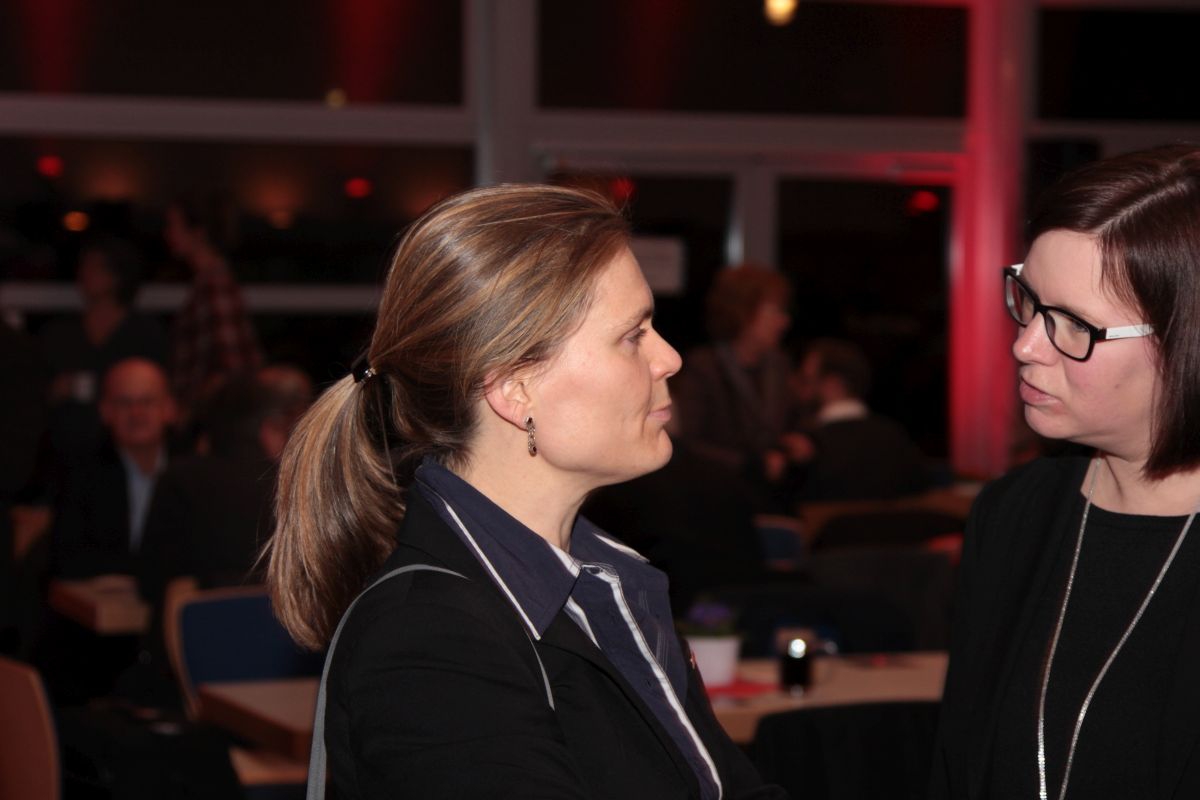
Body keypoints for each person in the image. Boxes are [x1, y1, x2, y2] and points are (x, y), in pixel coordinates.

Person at [267, 185, 788, 799]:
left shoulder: (610, 586)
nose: (669, 357)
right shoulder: (430, 641)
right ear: (516, 390)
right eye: (633, 335)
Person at [931, 144, 1200, 799]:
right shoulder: (1014, 513)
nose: (1024, 344)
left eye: (1074, 324)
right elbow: (958, 765)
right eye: (1028, 300)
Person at [672, 264, 809, 508]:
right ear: (744, 312)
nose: (784, 321)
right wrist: (749, 464)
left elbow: (793, 421)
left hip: (775, 497)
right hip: (718, 498)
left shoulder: (780, 365)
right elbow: (689, 444)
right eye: (776, 311)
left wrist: (801, 442)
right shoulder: (705, 367)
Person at [40, 235, 167, 468]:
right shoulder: (61, 334)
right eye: (83, 266)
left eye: (95, 267)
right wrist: (57, 389)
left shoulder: (143, 334)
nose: (84, 273)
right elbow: (34, 392)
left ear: (117, 275)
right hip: (65, 451)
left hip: (125, 451)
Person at [52, 358, 177, 579]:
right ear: (105, 411)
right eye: (124, 403)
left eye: (147, 401)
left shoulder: (195, 473)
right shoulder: (80, 473)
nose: (136, 413)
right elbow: (68, 558)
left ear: (169, 409)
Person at [791, 337, 931, 501]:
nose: (796, 389)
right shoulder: (895, 437)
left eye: (806, 380)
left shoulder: (807, 446)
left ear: (833, 384)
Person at [164, 196, 262, 420]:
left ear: (198, 232)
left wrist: (189, 411)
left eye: (173, 225)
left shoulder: (214, 283)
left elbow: (233, 366)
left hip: (213, 416)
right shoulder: (206, 281)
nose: (167, 234)